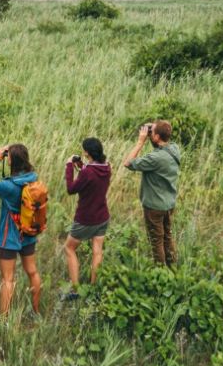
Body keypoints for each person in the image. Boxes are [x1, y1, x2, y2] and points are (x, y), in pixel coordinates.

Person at [0, 143, 43, 316]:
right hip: (29, 234)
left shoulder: (8, 186)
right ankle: (36, 311)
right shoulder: (34, 179)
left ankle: (4, 318)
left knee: (8, 279)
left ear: (11, 161)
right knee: (32, 271)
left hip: (10, 237)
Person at [122, 120, 181, 266]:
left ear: (156, 137)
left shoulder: (155, 158)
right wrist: (155, 129)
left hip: (154, 207)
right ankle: (173, 268)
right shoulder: (174, 148)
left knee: (156, 241)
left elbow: (128, 163)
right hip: (169, 203)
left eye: (152, 132)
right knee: (167, 237)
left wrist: (140, 142)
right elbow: (161, 140)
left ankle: (160, 274)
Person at [61, 137, 111, 301]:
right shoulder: (106, 167)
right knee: (97, 252)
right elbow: (92, 177)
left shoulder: (87, 172)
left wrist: (69, 166)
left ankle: (75, 289)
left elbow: (71, 189)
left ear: (87, 152)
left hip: (85, 219)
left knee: (69, 248)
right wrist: (81, 166)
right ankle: (94, 288)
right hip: (102, 217)